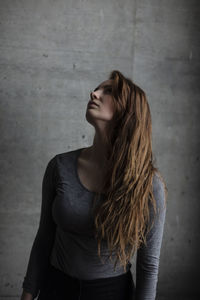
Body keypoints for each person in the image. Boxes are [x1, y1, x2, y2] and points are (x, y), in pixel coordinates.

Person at [20, 70, 167, 300]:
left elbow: (148, 265)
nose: (94, 93)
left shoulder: (147, 184)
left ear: (128, 110)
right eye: (98, 88)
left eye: (108, 91)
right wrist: (28, 295)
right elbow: (44, 238)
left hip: (112, 293)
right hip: (56, 288)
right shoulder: (60, 166)